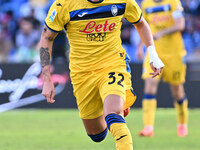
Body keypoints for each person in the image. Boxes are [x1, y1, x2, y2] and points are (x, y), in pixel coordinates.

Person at [39, 0, 164, 149]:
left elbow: (141, 23)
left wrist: (152, 54)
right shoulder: (64, 4)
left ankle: (115, 107)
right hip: (82, 72)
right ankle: (113, 108)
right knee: (96, 135)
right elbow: (47, 38)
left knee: (113, 113)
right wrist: (47, 79)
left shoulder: (123, 1)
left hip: (112, 64)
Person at [137, 0, 188, 137]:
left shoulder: (173, 2)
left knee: (177, 91)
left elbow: (180, 25)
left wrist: (161, 33)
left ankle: (182, 123)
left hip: (174, 53)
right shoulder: (146, 4)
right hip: (154, 52)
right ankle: (148, 127)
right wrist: (139, 47)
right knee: (149, 85)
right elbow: (142, 26)